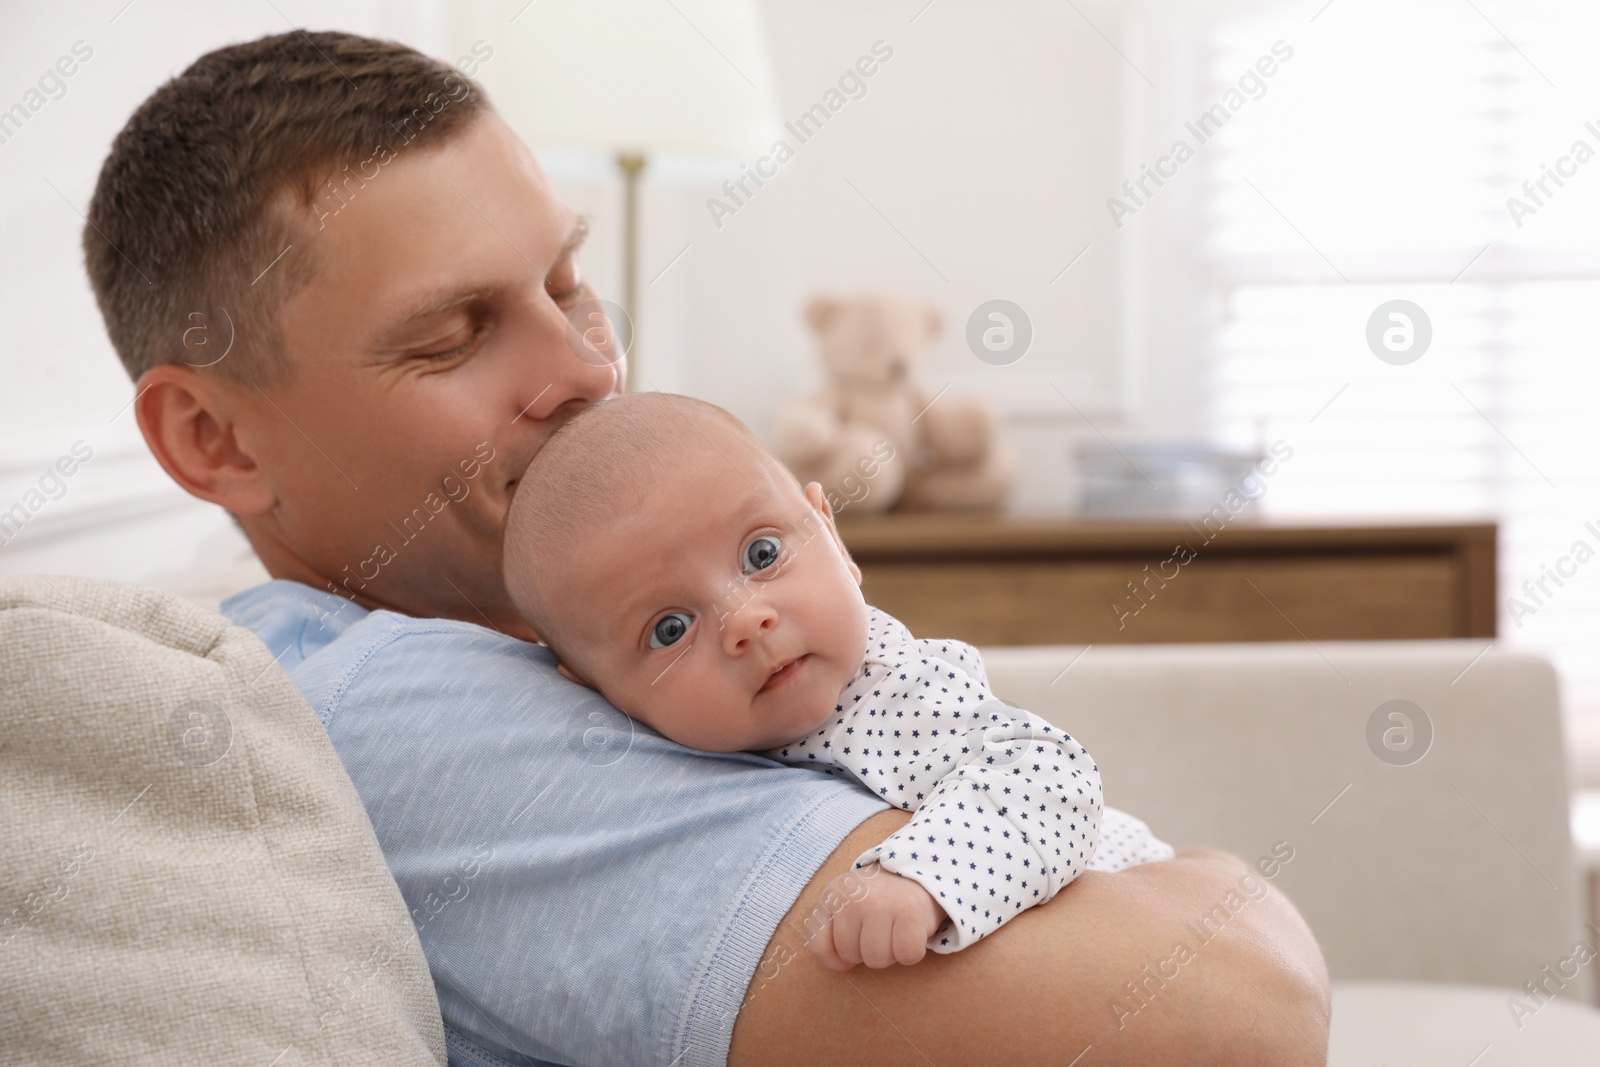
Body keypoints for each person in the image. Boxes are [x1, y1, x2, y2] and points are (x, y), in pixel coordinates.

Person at [86, 29, 1330, 1067]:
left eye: (567, 284)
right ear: (214, 437)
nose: (583, 368)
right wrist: (1220, 882)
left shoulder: (550, 637)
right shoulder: (398, 715)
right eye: (454, 335)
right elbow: (1231, 1007)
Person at [501, 392, 1176, 968]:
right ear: (595, 692)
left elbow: (1053, 775)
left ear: (834, 537)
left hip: (1149, 919)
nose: (746, 620)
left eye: (761, 554)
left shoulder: (889, 688)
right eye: (671, 627)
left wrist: (919, 879)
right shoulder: (665, 769)